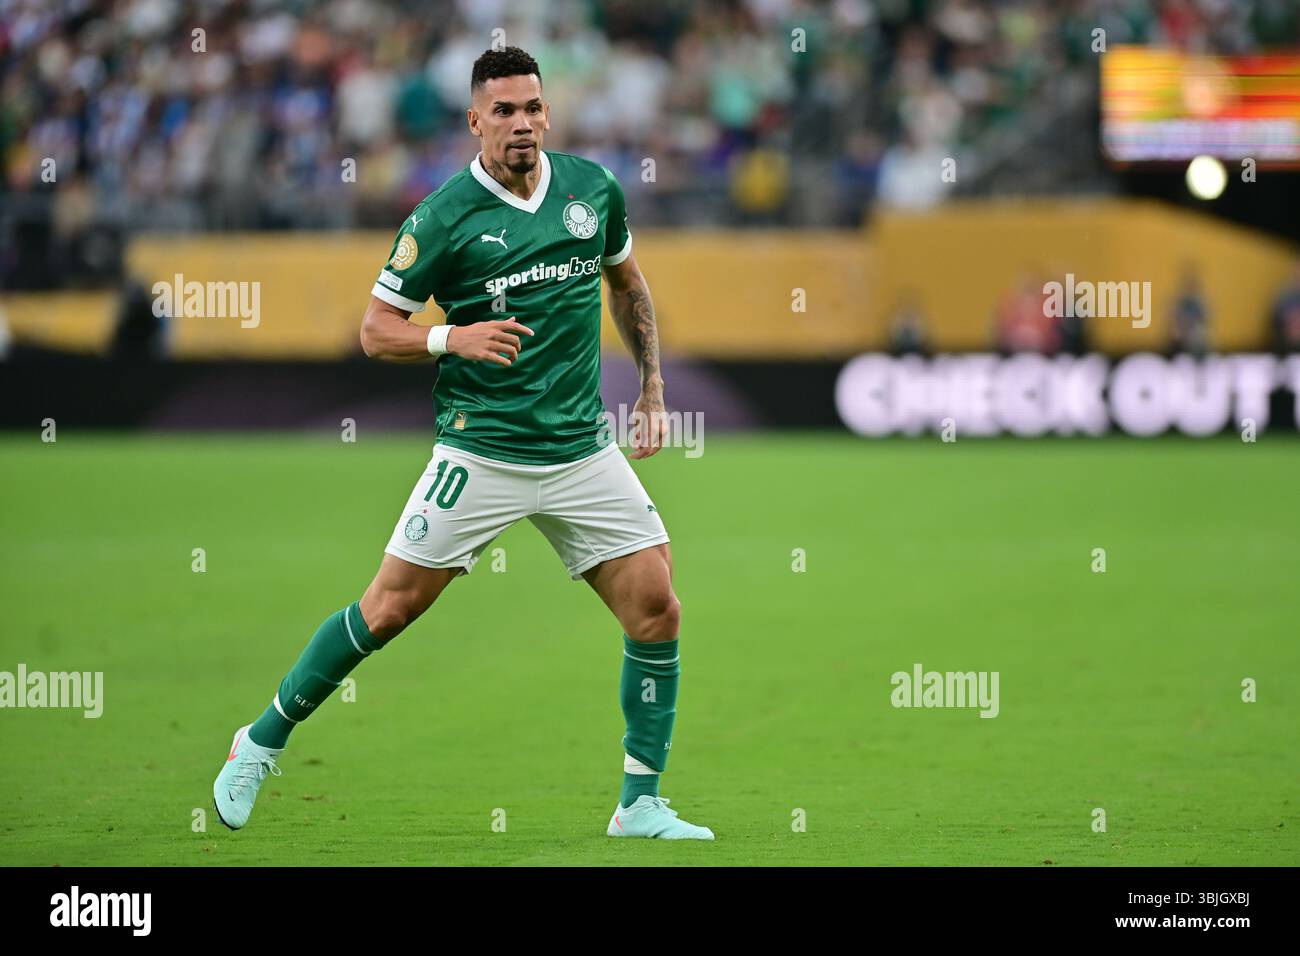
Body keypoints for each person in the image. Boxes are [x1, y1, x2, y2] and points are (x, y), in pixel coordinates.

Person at [212, 47, 713, 841]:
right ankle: (260, 740)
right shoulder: (443, 217)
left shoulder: (592, 189)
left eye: (534, 108)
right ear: (475, 121)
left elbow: (627, 283)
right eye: (505, 112)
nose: (523, 124)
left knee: (656, 607)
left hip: (581, 450)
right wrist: (453, 337)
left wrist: (652, 390)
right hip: (481, 452)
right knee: (388, 608)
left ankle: (640, 802)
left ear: (549, 112)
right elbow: (376, 331)